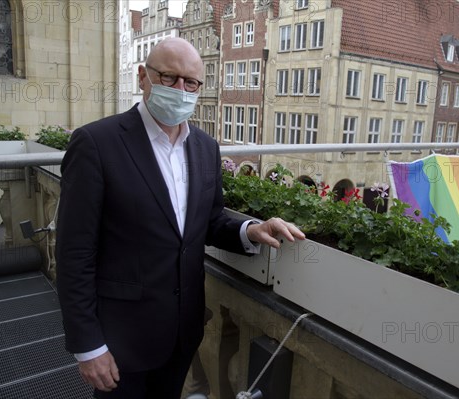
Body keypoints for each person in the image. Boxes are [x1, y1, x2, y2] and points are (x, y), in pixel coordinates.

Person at [55, 37, 305, 399]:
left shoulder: (205, 147)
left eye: (191, 83)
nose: (181, 90)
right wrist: (87, 345)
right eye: (169, 78)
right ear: (143, 77)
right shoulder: (96, 143)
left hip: (182, 333)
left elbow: (208, 221)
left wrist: (251, 230)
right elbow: (74, 253)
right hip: (120, 340)